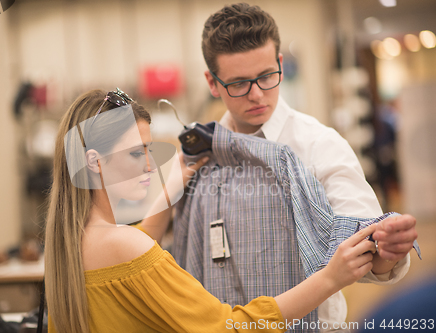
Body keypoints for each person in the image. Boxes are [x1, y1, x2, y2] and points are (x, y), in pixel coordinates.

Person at [44, 88, 379, 333]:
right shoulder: (125, 246)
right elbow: (229, 328)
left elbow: (132, 257)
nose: (150, 164)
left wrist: (169, 192)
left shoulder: (70, 245)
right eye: (135, 154)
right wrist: (329, 278)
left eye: (149, 149)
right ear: (93, 162)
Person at [173, 2, 418, 332]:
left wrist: (388, 249)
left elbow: (368, 252)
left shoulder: (318, 146)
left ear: (280, 64)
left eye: (266, 76)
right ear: (212, 83)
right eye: (239, 83)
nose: (257, 94)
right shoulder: (200, 157)